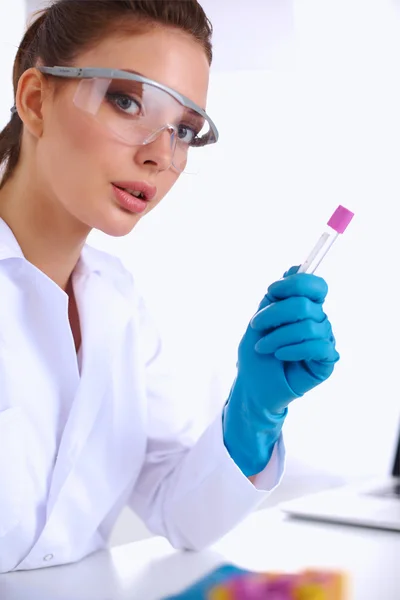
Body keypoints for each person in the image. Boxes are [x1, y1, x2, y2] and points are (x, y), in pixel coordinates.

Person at [0, 0, 339, 574]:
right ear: (36, 100)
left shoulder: (118, 304)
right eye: (127, 100)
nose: (161, 154)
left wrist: (253, 414)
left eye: (184, 129)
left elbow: (180, 514)